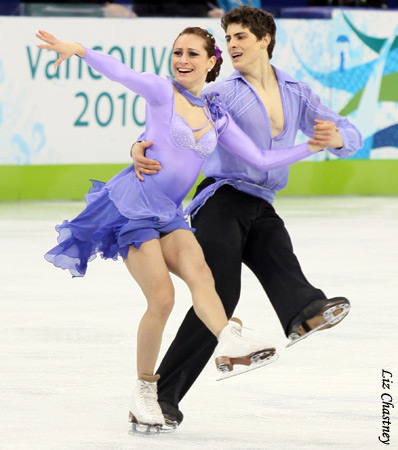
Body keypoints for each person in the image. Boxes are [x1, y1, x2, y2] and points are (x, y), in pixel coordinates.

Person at [37, 26, 323, 434]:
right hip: (133, 209)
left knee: (203, 275)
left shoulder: (215, 115)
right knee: (163, 299)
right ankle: (144, 389)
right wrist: (79, 49)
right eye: (177, 53)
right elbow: (119, 72)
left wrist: (310, 147)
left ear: (211, 63)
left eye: (192, 54)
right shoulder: (160, 91)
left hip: (170, 214)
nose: (182, 60)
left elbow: (261, 158)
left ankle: (229, 338)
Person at [131, 6, 363, 430]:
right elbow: (178, 114)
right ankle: (161, 395)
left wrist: (339, 136)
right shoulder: (224, 93)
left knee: (279, 252)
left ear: (264, 40)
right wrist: (138, 145)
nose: (232, 45)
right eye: (229, 38)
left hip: (261, 199)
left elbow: (348, 130)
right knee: (220, 294)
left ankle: (304, 312)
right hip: (221, 198)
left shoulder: (297, 90)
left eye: (240, 37)